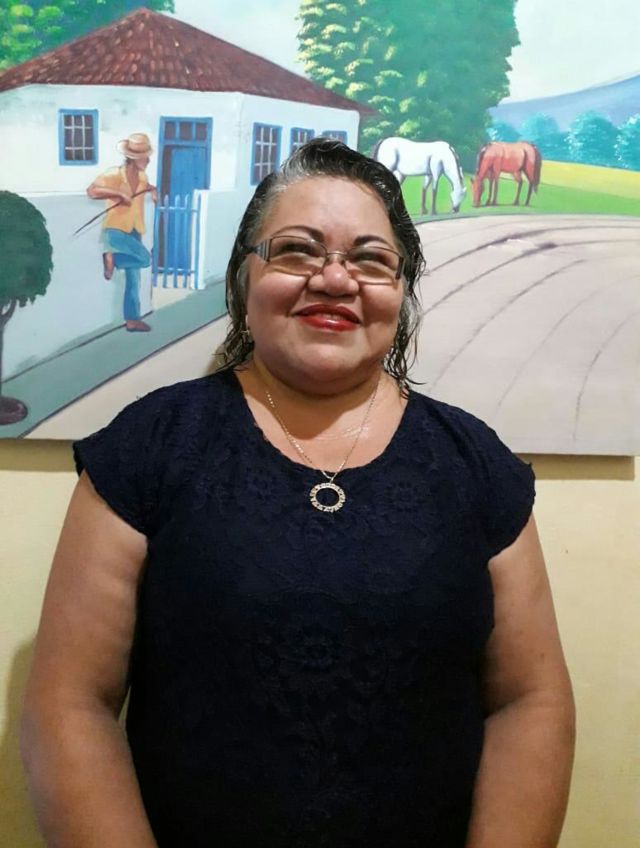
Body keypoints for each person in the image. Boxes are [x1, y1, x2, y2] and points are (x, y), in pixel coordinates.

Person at [21, 139, 575, 847]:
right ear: (245, 277)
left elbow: (530, 701)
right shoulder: (151, 447)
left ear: (401, 291)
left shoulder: (475, 465)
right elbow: (71, 704)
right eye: (297, 251)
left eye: (370, 259)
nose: (335, 278)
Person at [87, 132, 158, 333]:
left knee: (133, 279)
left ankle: (132, 320)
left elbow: (146, 186)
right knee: (145, 258)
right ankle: (112, 256)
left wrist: (152, 190)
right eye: (145, 157)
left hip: (135, 230)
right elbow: (92, 191)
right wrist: (118, 193)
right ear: (134, 158)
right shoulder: (114, 175)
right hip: (116, 230)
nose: (148, 160)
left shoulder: (143, 177)